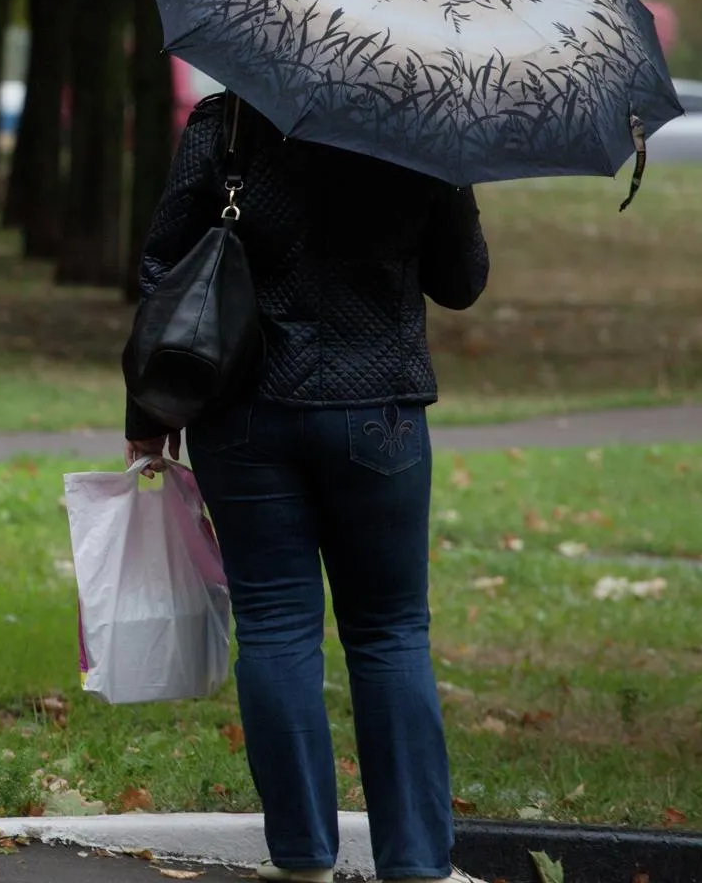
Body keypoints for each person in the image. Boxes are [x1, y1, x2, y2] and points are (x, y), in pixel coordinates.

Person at [123, 93, 490, 883]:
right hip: (377, 414)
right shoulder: (420, 125)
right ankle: (417, 864)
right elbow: (460, 283)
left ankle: (302, 858)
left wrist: (149, 410)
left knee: (276, 628)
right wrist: (452, 179)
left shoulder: (230, 121)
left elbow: (164, 266)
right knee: (391, 633)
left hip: (244, 412)